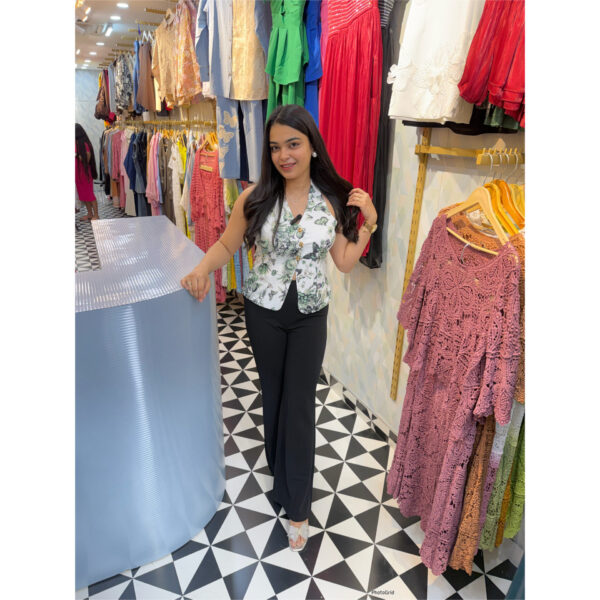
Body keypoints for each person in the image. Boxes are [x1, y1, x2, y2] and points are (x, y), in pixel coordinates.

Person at [181, 104, 378, 552]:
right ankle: (279, 471)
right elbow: (228, 243)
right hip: (263, 312)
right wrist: (201, 270)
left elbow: (345, 262)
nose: (284, 155)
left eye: (293, 144)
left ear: (312, 147)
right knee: (273, 394)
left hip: (311, 314)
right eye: (275, 147)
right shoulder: (254, 198)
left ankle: (298, 505)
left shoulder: (331, 201)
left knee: (300, 404)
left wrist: (369, 223)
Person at [75, 123, 99, 221]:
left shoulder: (84, 144)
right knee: (83, 195)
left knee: (89, 195)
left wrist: (76, 155)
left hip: (85, 174)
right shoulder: (76, 143)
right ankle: (89, 214)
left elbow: (87, 158)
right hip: (78, 174)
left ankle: (96, 215)